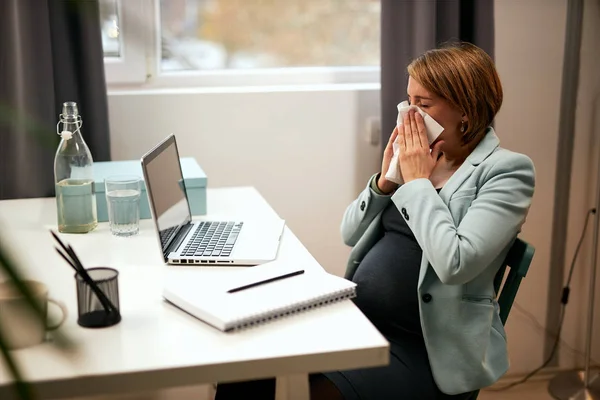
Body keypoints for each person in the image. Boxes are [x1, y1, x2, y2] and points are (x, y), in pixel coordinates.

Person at [215, 41, 535, 400]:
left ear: (466, 109)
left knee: (326, 392)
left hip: (426, 348)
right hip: (358, 321)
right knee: (248, 345)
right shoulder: (420, 157)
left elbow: (455, 264)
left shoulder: (506, 171)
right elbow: (349, 233)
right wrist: (385, 183)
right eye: (408, 101)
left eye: (423, 104)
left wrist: (416, 183)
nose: (410, 114)